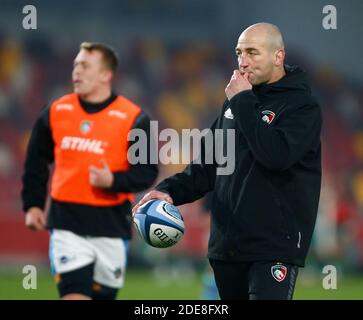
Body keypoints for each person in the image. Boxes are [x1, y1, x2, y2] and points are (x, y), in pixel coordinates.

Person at [133, 23, 322, 300]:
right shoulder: (235, 103)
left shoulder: (301, 106)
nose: (243, 62)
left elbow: (276, 156)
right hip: (227, 249)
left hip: (273, 248)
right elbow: (206, 167)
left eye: (253, 53)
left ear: (278, 56)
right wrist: (168, 190)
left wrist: (243, 100)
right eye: (239, 53)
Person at [21, 42, 158, 300]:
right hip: (66, 224)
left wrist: (112, 180)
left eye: (85, 66)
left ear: (106, 75)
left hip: (111, 226)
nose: (76, 72)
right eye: (75, 65)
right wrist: (33, 204)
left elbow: (147, 172)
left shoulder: (135, 118)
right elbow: (35, 161)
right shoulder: (55, 112)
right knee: (74, 295)